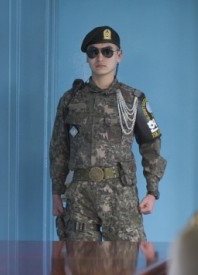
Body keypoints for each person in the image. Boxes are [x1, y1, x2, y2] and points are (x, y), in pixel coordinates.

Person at [49, 26, 167, 241]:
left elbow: (151, 145)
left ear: (119, 56)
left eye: (107, 51)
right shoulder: (70, 100)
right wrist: (56, 192)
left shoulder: (133, 99)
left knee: (123, 264)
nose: (100, 57)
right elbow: (59, 149)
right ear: (87, 58)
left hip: (120, 195)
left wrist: (152, 191)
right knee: (81, 265)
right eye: (93, 52)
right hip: (80, 197)